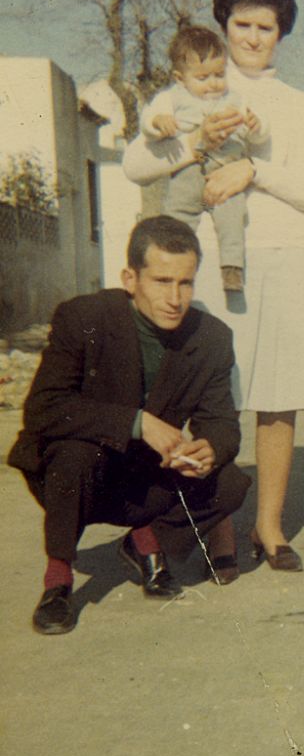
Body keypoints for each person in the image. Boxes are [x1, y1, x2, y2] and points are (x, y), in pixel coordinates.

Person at [123, 0, 304, 574]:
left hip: (285, 255)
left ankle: (268, 525)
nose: (252, 38)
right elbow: (138, 164)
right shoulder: (190, 93)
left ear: (281, 31)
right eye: (242, 24)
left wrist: (255, 171)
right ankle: (212, 523)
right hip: (213, 264)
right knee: (210, 395)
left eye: (266, 26)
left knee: (278, 395)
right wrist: (195, 145)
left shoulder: (299, 105)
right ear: (223, 23)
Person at [8, 217, 252, 635]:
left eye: (186, 283)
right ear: (130, 278)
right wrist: (137, 423)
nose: (175, 298)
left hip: (142, 475)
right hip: (78, 471)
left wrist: (210, 447)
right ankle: (58, 580)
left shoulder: (212, 337)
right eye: (161, 281)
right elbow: (44, 409)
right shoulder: (83, 317)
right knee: (74, 450)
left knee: (230, 482)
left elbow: (223, 421)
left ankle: (144, 541)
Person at [141, 25, 268, 294]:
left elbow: (255, 137)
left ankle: (232, 269)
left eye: (219, 74)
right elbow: (147, 122)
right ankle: (172, 271)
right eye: (202, 77)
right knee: (176, 220)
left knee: (232, 217)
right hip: (188, 172)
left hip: (224, 173)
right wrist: (157, 122)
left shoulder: (235, 99)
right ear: (180, 78)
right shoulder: (171, 98)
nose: (213, 83)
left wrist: (256, 127)